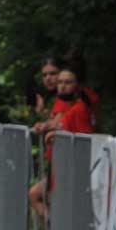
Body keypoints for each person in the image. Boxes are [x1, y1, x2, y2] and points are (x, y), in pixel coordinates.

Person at [28, 66, 96, 220]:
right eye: (60, 82)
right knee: (36, 195)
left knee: (63, 207)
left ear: (77, 86)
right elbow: (58, 124)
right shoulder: (68, 106)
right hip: (59, 166)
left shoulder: (79, 109)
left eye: (67, 82)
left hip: (72, 169)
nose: (62, 86)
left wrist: (52, 132)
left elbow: (83, 138)